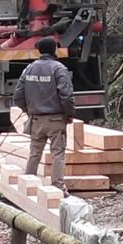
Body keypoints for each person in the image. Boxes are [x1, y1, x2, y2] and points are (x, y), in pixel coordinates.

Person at [12, 36, 73, 189]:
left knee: (34, 153)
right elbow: (66, 95)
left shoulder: (29, 69)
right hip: (56, 119)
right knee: (58, 154)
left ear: (39, 50)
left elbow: (18, 96)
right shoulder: (59, 69)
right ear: (54, 50)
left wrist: (29, 111)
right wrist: (69, 114)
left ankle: (28, 186)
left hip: (36, 120)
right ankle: (58, 186)